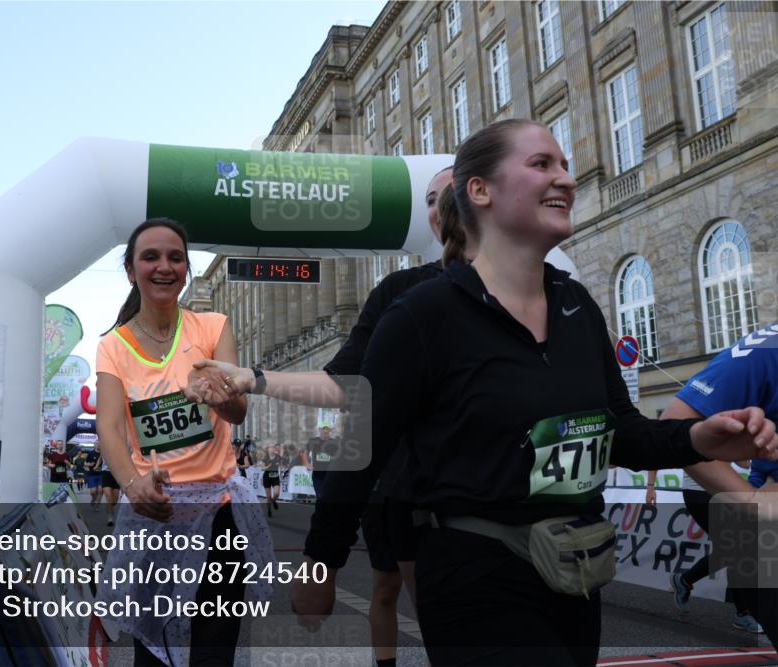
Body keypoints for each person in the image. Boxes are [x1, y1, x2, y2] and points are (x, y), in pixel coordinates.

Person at [286, 119, 778, 665]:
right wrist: (320, 564)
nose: (566, 178)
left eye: (564, 165)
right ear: (480, 190)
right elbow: (360, 451)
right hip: (475, 575)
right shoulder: (421, 316)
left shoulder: (578, 306)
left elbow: (621, 433)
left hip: (576, 570)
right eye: (542, 164)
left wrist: (699, 438)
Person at [187, 165, 459, 666]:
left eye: (450, 194)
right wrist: (321, 563)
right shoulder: (404, 294)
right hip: (423, 507)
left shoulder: (559, 295)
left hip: (536, 531)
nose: (441, 208)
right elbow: (348, 408)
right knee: (421, 612)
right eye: (431, 199)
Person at [94, 218, 274, 666]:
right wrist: (134, 485)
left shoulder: (213, 327)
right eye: (150, 257)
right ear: (131, 270)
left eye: (175, 258)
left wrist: (219, 395)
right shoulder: (113, 346)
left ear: (186, 269)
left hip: (219, 514)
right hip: (155, 513)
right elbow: (110, 428)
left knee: (214, 647)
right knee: (154, 653)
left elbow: (238, 412)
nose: (164, 266)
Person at [660, 322, 778, 641]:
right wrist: (752, 503)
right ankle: (734, 606)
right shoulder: (768, 347)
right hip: (764, 533)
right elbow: (673, 423)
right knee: (731, 547)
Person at [261, 443, 282, 517]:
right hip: (267, 477)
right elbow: (262, 468)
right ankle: (269, 510)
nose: (273, 448)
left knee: (276, 493)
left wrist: (281, 469)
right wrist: (268, 466)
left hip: (275, 476)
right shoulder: (265, 457)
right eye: (271, 447)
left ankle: (273, 501)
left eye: (273, 447)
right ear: (268, 449)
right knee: (268, 496)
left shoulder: (278, 457)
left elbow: (280, 465)